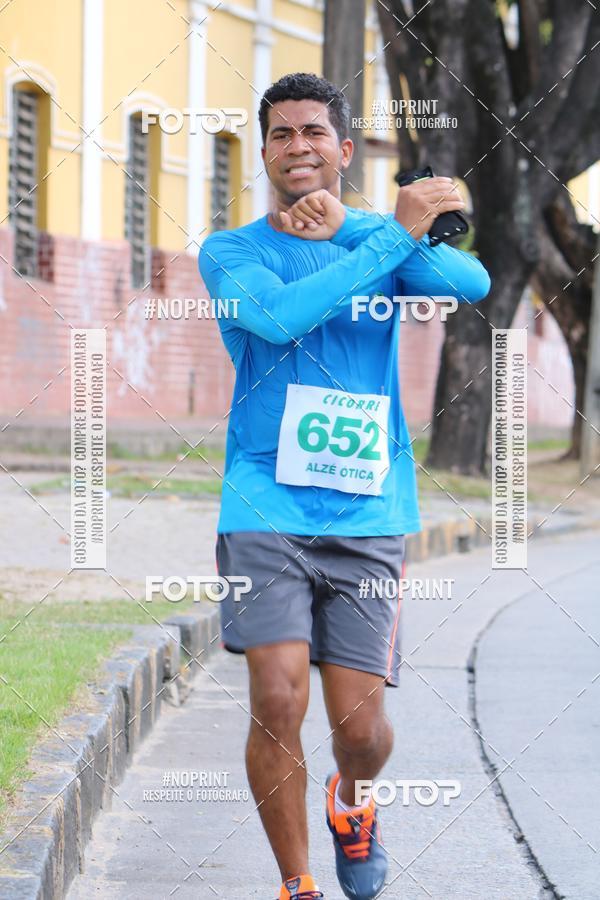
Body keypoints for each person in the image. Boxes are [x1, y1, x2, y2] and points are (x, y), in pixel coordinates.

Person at [199, 72, 490, 900]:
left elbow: (472, 285)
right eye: (282, 134)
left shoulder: (378, 238)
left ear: (343, 150)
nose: (298, 147)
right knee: (278, 697)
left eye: (313, 133)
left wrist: (372, 229)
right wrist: (381, 240)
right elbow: (282, 317)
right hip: (264, 503)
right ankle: (298, 886)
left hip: (367, 509)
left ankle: (354, 800)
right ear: (263, 152)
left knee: (361, 732)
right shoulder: (233, 252)